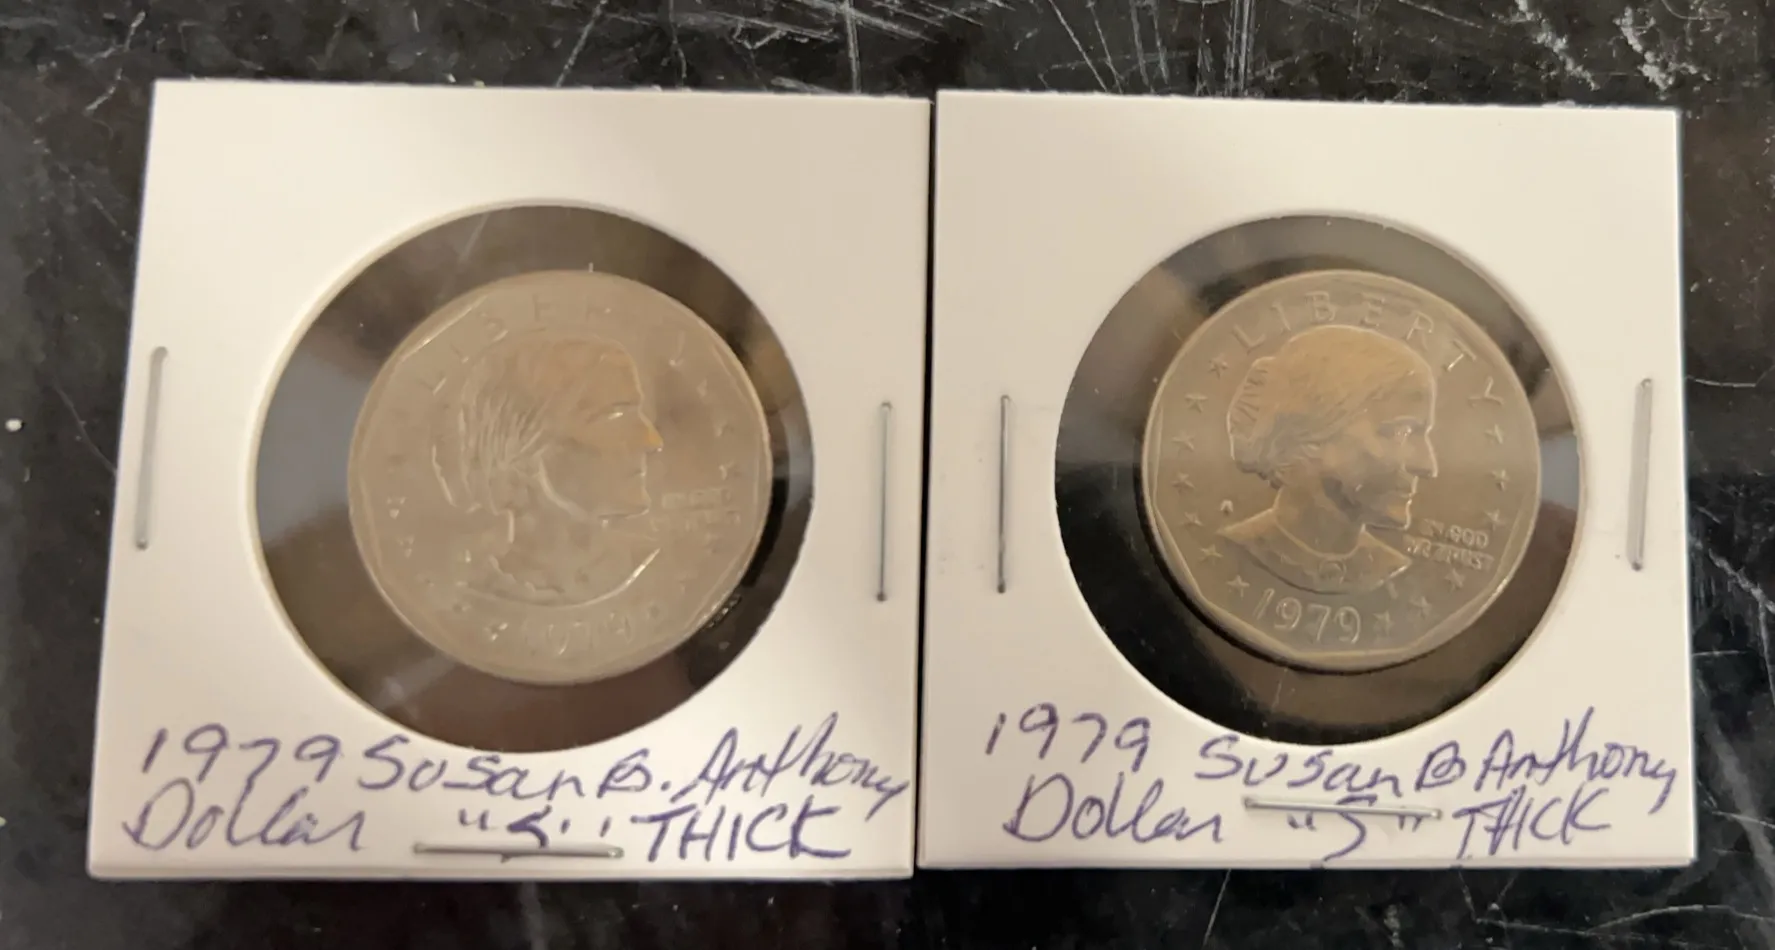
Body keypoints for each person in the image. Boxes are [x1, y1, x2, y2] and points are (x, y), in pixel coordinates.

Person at [442, 332, 663, 607]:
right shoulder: (471, 587)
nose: (652, 441)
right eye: (614, 416)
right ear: (523, 455)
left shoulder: (655, 562)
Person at [1220, 325, 1438, 595]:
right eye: (1399, 432)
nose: (1428, 466)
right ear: (1310, 434)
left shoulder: (1394, 569)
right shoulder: (1233, 549)